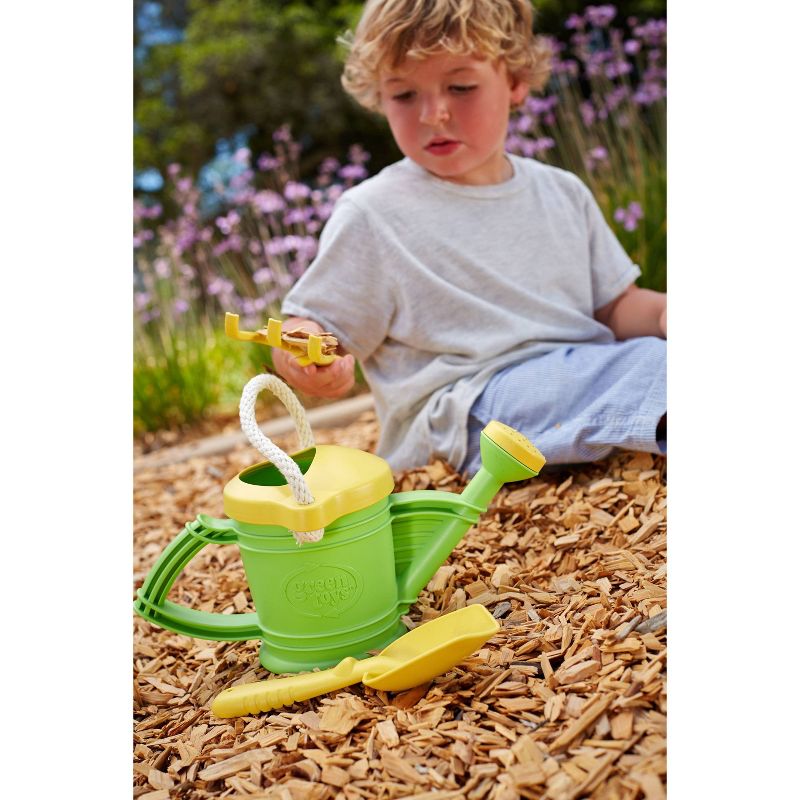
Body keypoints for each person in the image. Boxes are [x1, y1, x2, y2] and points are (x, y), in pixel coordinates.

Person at [274, 0, 666, 475]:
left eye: (461, 87)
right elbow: (315, 325)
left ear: (516, 81)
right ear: (378, 95)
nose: (434, 114)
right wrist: (306, 352)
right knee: (648, 367)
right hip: (467, 411)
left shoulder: (562, 192)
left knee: (644, 360)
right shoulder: (375, 213)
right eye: (403, 95)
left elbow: (614, 306)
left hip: (579, 376)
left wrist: (665, 312)